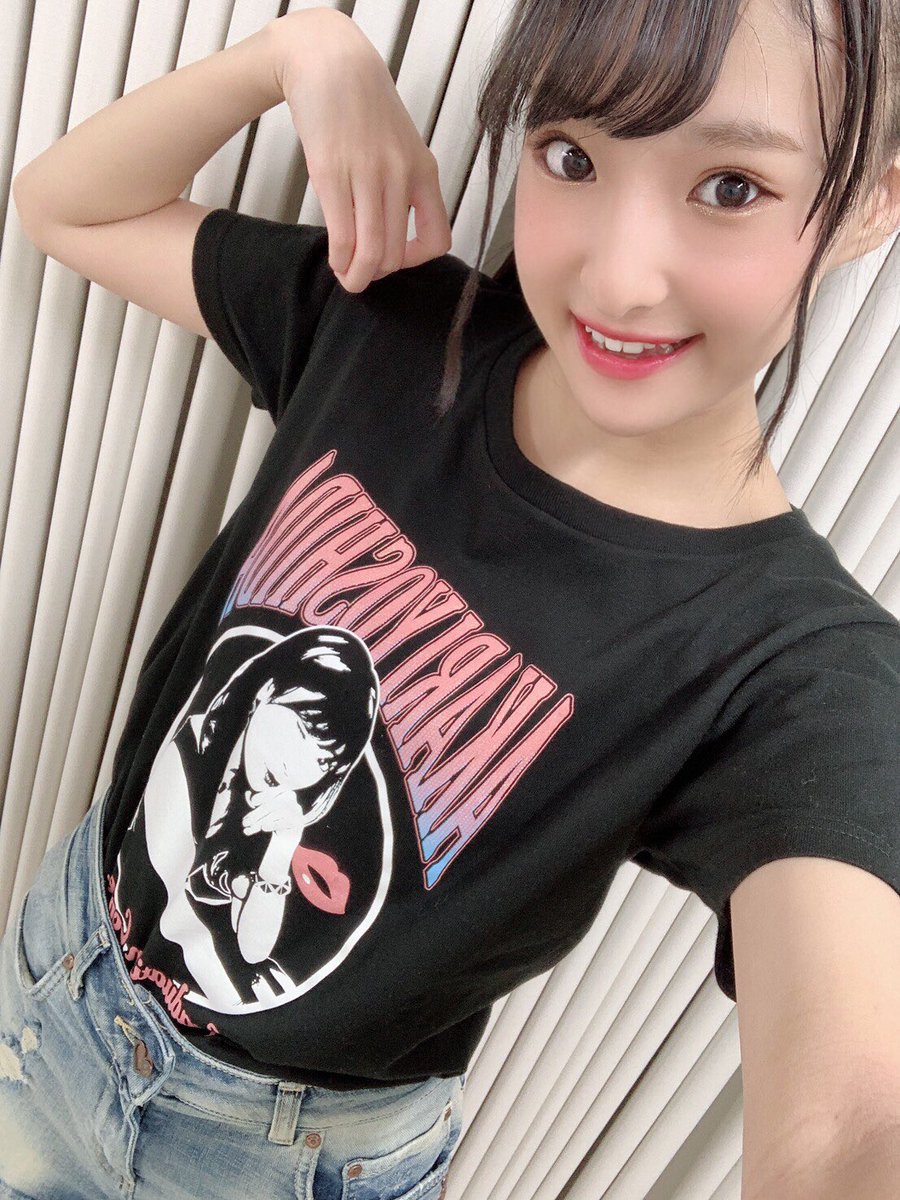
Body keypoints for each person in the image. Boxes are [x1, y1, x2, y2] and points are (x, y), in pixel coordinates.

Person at [4, 1, 900, 1197]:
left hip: (277, 1159)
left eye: (731, 187)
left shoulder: (794, 665)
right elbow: (66, 207)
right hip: (65, 972)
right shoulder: (388, 326)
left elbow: (847, 1120)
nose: (619, 275)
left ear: (870, 206)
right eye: (572, 155)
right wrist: (300, 50)